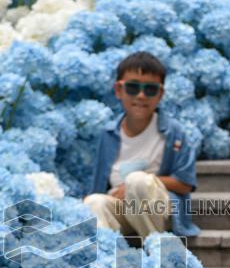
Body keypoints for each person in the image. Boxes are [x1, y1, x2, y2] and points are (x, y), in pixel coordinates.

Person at [84, 51, 200, 241]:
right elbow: (99, 184)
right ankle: (105, 259)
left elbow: (185, 183)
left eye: (150, 89)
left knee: (137, 181)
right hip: (120, 208)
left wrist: (135, 186)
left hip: (157, 210)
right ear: (119, 90)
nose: (141, 95)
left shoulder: (173, 132)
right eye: (132, 87)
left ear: (160, 93)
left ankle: (156, 247)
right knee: (94, 201)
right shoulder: (109, 134)